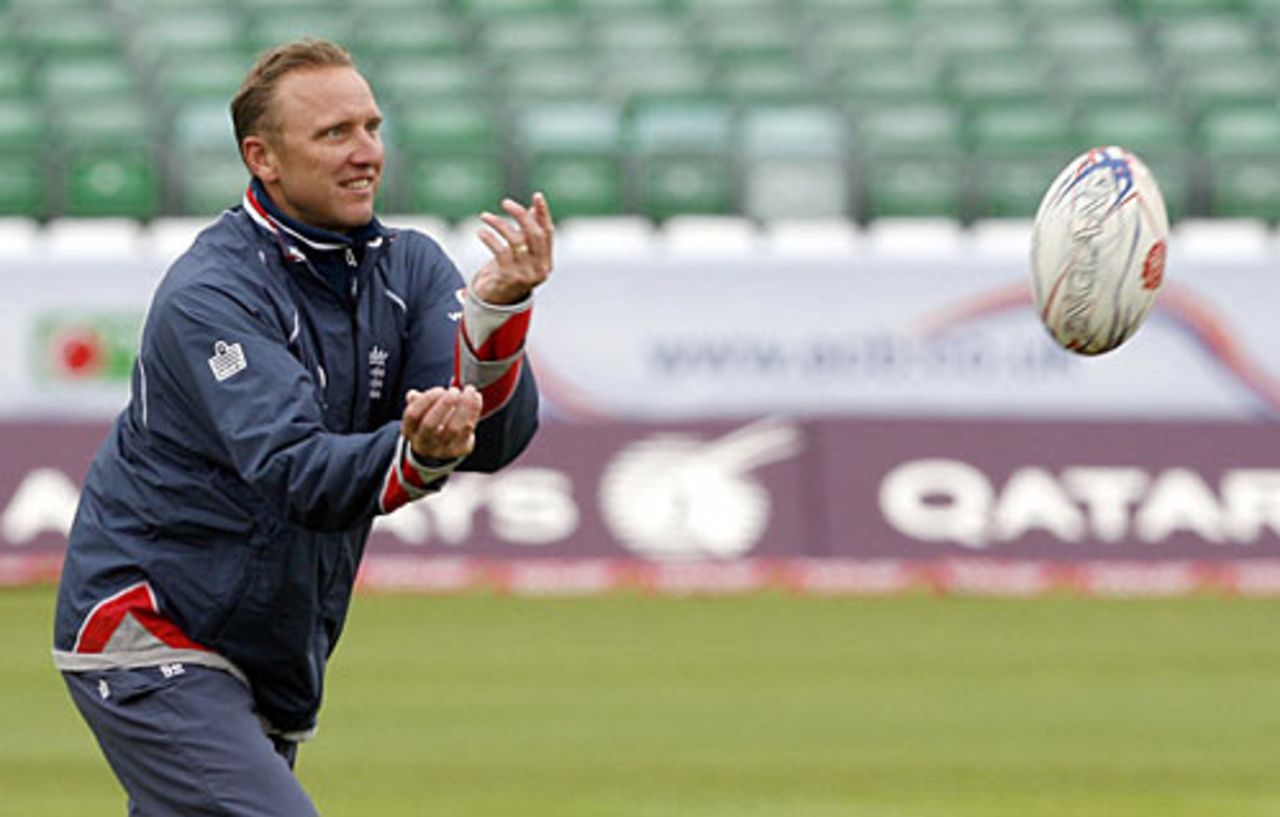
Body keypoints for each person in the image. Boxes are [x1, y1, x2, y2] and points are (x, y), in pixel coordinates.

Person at [52, 39, 552, 816]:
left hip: (267, 648)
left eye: (372, 126)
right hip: (149, 625)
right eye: (335, 133)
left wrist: (497, 314)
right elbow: (296, 470)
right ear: (264, 158)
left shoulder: (411, 265)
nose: (366, 154)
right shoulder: (211, 292)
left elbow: (486, 442)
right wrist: (416, 454)